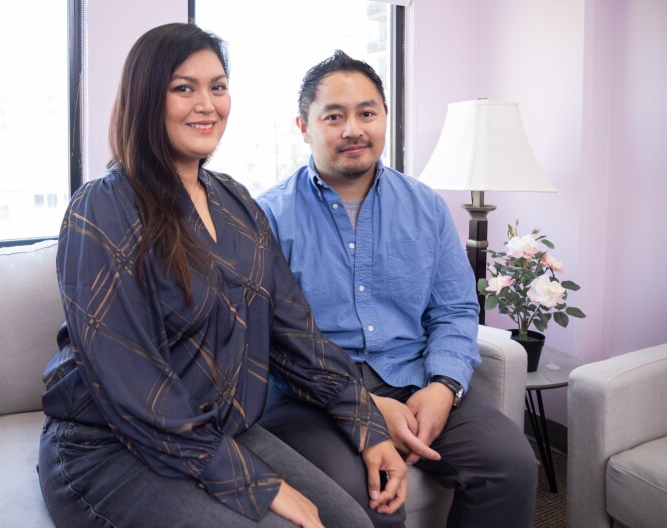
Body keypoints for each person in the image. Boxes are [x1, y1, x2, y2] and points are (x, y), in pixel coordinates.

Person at [37, 25, 408, 528]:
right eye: (183, 88)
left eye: (218, 86)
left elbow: (296, 335)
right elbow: (132, 386)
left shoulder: (235, 203)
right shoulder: (101, 207)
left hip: (213, 428)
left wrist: (367, 425)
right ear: (146, 98)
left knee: (355, 521)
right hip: (109, 445)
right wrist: (257, 484)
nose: (207, 104)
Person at [257, 50, 539, 528]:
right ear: (303, 127)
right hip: (310, 397)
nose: (354, 129)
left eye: (367, 113)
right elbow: (271, 339)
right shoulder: (267, 216)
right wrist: (364, 407)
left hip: (411, 377)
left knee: (511, 464)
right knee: (371, 497)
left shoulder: (425, 206)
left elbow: (453, 309)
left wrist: (444, 387)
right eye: (334, 116)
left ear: (385, 118)